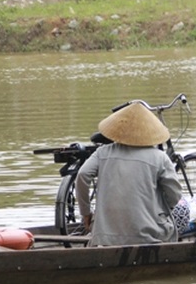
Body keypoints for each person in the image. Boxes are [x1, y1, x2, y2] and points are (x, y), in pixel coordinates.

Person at [76, 103, 183, 246]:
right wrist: (161, 209)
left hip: (104, 237)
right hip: (149, 236)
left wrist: (86, 213)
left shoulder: (102, 152)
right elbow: (174, 196)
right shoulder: (160, 157)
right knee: (182, 212)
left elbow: (82, 175)